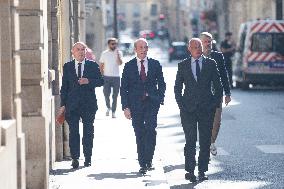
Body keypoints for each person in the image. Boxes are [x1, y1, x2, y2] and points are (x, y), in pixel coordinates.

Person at [174, 38, 222, 182]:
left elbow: (218, 87)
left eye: (199, 46)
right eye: (194, 47)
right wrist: (181, 104)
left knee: (205, 141)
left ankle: (202, 170)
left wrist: (214, 104)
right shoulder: (182, 65)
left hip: (206, 109)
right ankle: (189, 171)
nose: (197, 49)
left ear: (202, 48)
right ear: (189, 49)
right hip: (188, 109)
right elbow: (177, 88)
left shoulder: (210, 63)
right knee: (190, 141)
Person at [120, 38, 166, 174]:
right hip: (135, 105)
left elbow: (162, 83)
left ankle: (149, 159)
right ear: (135, 50)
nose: (143, 50)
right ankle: (142, 163)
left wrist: (159, 98)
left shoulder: (155, 64)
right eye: (140, 47)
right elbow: (124, 88)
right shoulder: (128, 66)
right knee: (139, 133)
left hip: (152, 103)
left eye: (145, 47)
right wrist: (125, 107)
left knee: (151, 130)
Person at [58, 42, 104, 169]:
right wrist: (63, 104)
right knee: (74, 132)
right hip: (72, 105)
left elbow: (101, 81)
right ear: (73, 52)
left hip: (88, 104)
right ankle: (75, 158)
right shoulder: (67, 66)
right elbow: (64, 88)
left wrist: (88, 81)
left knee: (88, 132)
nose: (81, 51)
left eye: (83, 49)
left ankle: (88, 157)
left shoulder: (92, 65)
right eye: (78, 49)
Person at [200, 32, 232, 156]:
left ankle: (211, 142)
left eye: (210, 41)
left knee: (217, 121)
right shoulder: (196, 55)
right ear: (201, 42)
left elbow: (224, 75)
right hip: (201, 95)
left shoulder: (218, 56)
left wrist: (227, 93)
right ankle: (205, 143)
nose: (209, 44)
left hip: (216, 93)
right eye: (206, 41)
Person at [99, 38, 123, 118]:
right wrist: (102, 76)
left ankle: (113, 111)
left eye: (115, 43)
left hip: (116, 77)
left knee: (115, 95)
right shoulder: (104, 53)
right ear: (109, 44)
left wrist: (118, 55)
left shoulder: (119, 53)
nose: (114, 45)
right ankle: (108, 107)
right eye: (112, 44)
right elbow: (101, 65)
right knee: (106, 94)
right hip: (106, 77)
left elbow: (120, 63)